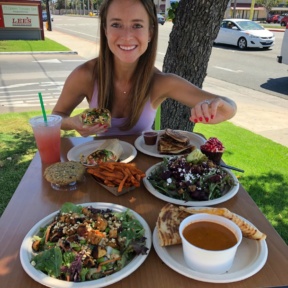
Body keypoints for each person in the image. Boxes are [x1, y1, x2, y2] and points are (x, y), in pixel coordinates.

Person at [52, 0, 237, 137]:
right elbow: (56, 117)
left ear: (150, 33)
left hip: (142, 177)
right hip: (98, 173)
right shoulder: (84, 75)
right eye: (116, 24)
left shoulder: (161, 82)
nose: (126, 36)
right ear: (105, 30)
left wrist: (223, 109)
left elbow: (226, 105)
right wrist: (73, 122)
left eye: (137, 25)